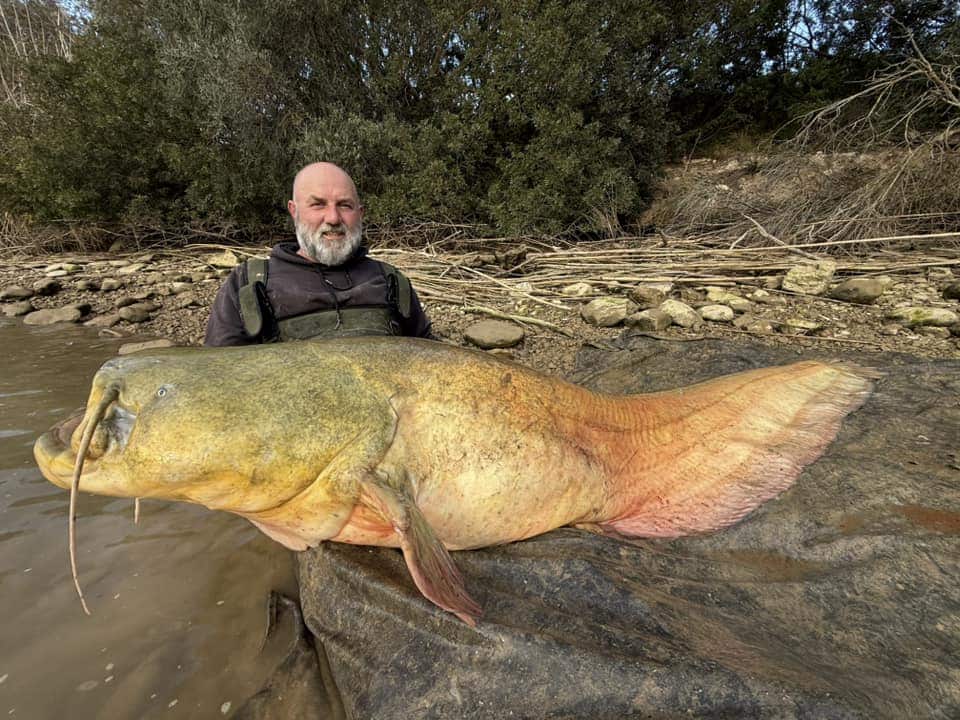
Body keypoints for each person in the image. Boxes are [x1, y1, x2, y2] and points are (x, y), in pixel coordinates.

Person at [204, 162, 432, 346]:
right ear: (294, 211)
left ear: (360, 213)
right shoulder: (248, 283)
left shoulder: (391, 280)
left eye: (344, 205)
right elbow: (220, 376)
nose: (333, 218)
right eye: (318, 204)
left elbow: (428, 359)